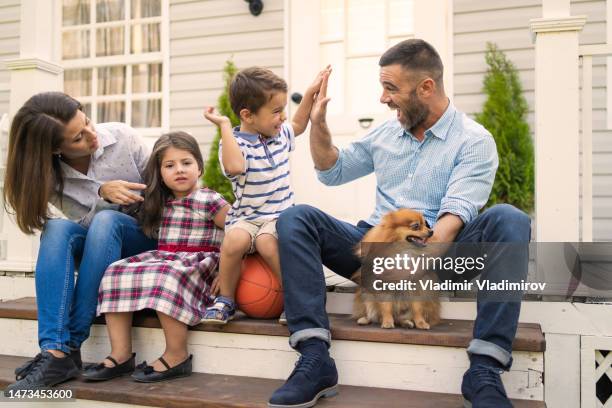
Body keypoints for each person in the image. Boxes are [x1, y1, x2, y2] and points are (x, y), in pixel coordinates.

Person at [268, 39, 530, 408]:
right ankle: (314, 357)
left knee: (510, 219)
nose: (383, 98)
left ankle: (485, 368)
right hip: (374, 248)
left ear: (426, 87)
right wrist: (318, 124)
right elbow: (332, 169)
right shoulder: (387, 132)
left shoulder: (474, 141)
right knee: (296, 218)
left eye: (391, 88)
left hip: (439, 256)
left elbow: (452, 221)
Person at [4, 92, 157, 391]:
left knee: (108, 220)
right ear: (53, 150)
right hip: (99, 251)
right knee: (58, 229)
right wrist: (103, 195)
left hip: (146, 240)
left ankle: (66, 345)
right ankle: (55, 348)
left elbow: (172, 199)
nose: (92, 135)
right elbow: (84, 227)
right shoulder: (50, 177)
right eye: (77, 138)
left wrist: (118, 207)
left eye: (87, 122)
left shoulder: (123, 138)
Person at [84, 132, 229, 383]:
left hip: (197, 265)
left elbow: (237, 232)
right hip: (167, 259)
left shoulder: (209, 199)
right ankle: (120, 354)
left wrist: (225, 272)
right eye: (170, 165)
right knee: (115, 270)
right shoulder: (161, 202)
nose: (179, 170)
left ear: (199, 166)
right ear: (160, 173)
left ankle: (177, 355)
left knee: (165, 274)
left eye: (186, 163)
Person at [200, 66, 330, 325]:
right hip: (247, 218)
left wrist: (310, 93)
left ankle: (296, 300)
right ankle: (226, 300)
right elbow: (235, 167)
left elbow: (299, 123)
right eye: (276, 111)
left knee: (267, 244)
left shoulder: (280, 134)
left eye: (282, 109)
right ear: (247, 115)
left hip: (278, 215)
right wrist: (225, 125)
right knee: (233, 241)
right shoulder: (233, 144)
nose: (282, 117)